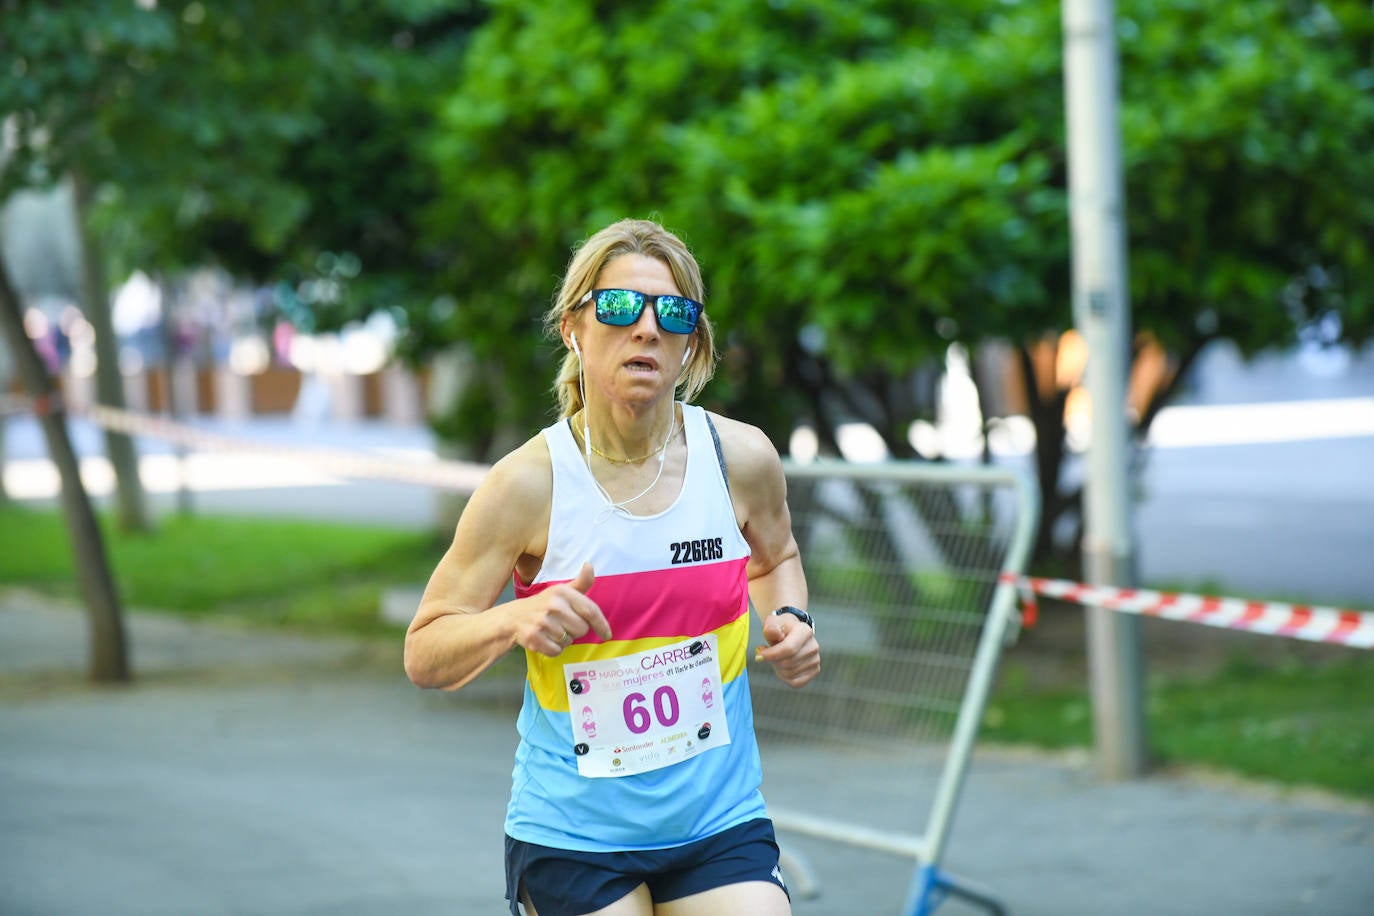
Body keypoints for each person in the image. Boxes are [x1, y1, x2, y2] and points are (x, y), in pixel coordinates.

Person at [404, 218, 821, 916]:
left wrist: (789, 618)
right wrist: (513, 617)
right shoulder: (527, 484)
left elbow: (775, 555)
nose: (647, 329)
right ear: (574, 327)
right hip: (574, 834)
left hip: (715, 821)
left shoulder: (739, 459)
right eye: (621, 307)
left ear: (692, 341)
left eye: (673, 313)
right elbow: (425, 651)